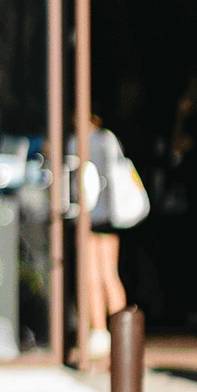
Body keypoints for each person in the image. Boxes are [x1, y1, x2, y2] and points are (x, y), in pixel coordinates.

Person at [78, 115, 134, 361]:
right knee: (107, 274)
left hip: (93, 215)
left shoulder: (77, 142)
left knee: (96, 275)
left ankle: (102, 331)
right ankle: (118, 333)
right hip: (107, 213)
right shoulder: (106, 139)